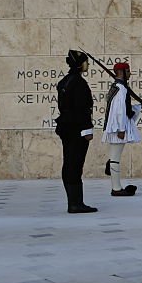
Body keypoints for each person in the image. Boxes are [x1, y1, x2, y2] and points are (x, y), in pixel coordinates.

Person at [55, 50, 96, 213]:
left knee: (69, 163)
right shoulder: (78, 83)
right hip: (76, 129)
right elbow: (82, 109)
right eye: (86, 62)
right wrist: (87, 130)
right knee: (75, 165)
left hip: (66, 127)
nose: (88, 65)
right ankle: (75, 203)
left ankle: (73, 202)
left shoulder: (65, 81)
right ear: (80, 64)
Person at [103, 61, 142, 197]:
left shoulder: (117, 87)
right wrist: (121, 129)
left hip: (116, 126)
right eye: (128, 71)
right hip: (118, 128)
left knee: (114, 157)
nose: (130, 73)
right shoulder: (121, 89)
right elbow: (120, 111)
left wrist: (138, 108)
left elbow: (125, 109)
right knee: (115, 158)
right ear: (121, 72)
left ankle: (112, 173)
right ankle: (116, 188)